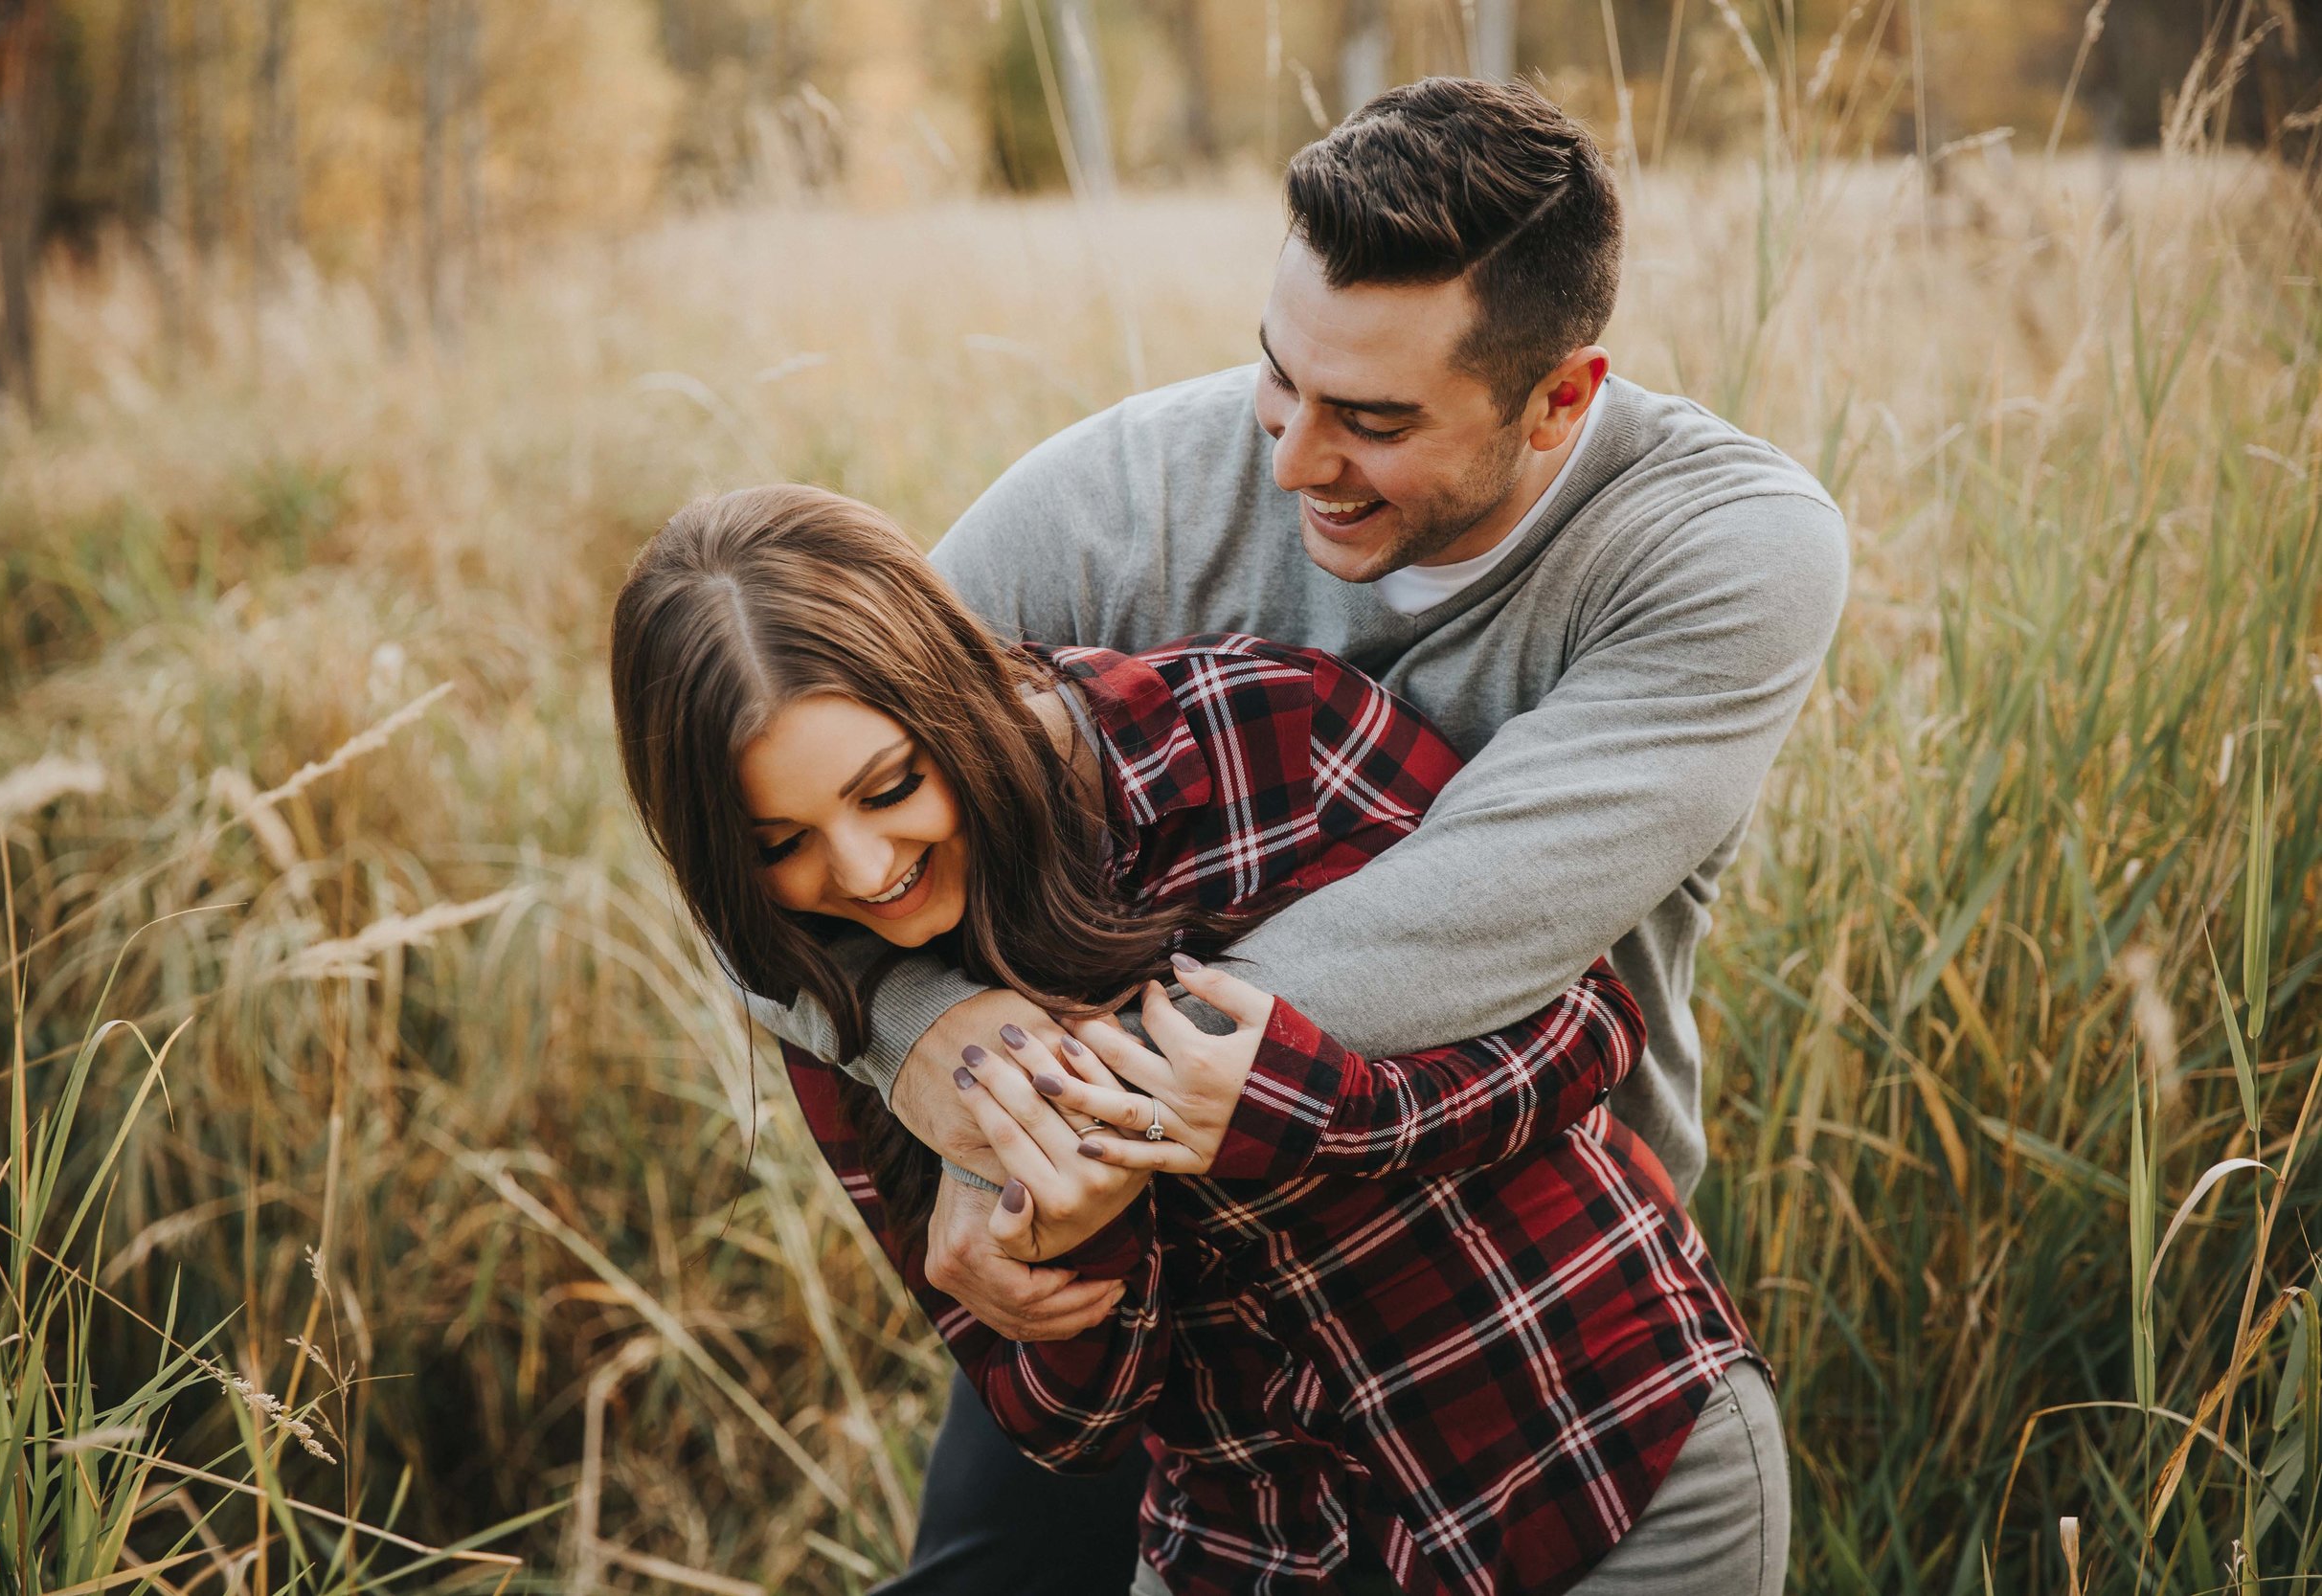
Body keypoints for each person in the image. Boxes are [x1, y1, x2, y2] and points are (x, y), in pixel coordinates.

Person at [735, 75, 1846, 1596]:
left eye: (1375, 420)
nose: (1289, 462)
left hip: (1509, 1290)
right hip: (1154, 1311)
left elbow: (1461, 922)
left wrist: (1044, 1123)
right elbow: (769, 842)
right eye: (1279, 377)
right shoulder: (1119, 497)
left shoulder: (1720, 545)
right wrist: (931, 1041)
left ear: (1562, 397)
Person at [608, 484, 1774, 1594]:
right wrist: (1082, 1250)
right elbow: (1066, 1425)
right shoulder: (843, 998)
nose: (863, 871)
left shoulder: (1250, 733)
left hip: (1602, 1456)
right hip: (1257, 1550)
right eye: (780, 843)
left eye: (890, 785)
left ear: (946, 698)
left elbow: (1589, 1023)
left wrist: (1298, 1100)